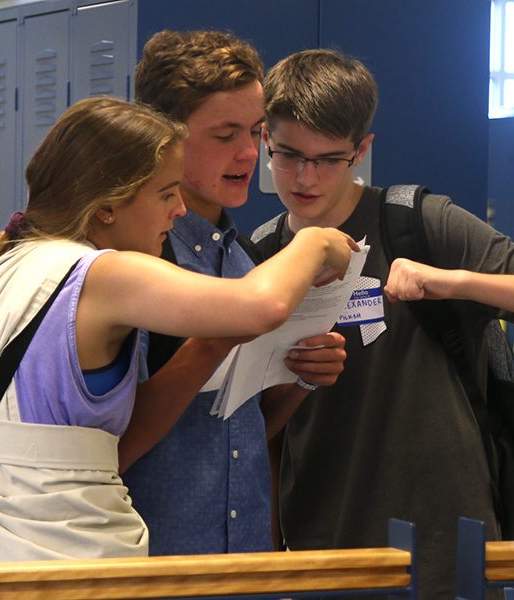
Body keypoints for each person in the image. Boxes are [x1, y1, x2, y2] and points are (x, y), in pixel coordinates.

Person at [0, 96, 357, 566]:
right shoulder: (102, 275)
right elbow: (262, 304)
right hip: (81, 571)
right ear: (107, 208)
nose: (179, 210)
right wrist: (312, 242)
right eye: (165, 193)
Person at [251, 49, 514, 599]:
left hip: (441, 541)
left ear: (362, 151)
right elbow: (254, 429)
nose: (305, 177)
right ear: (264, 141)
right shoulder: (259, 255)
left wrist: (455, 281)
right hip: (320, 539)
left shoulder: (416, 221)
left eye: (329, 159)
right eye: (288, 155)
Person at [119, 30, 348, 556]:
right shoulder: (133, 264)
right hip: (156, 558)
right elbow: (111, 446)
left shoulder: (247, 257)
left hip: (243, 557)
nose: (249, 153)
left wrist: (299, 379)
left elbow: (242, 429)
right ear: (163, 139)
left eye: (256, 131)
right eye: (225, 135)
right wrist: (220, 337)